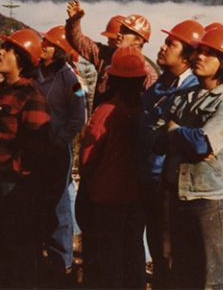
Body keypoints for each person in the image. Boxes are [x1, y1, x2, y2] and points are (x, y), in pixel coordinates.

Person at [155, 26, 223, 290]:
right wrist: (184, 137)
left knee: (213, 279)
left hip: (208, 200)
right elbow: (158, 140)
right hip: (178, 194)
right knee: (183, 275)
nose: (199, 57)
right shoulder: (186, 95)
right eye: (199, 51)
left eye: (209, 53)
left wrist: (176, 130)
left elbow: (199, 144)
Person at [0, 28, 52, 289]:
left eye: (8, 50)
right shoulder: (1, 90)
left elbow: (36, 151)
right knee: (0, 241)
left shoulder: (31, 96)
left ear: (21, 60)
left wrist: (12, 172)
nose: (0, 52)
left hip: (16, 186)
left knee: (19, 246)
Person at [138, 19, 205, 288]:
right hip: (148, 175)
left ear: (187, 56)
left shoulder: (190, 90)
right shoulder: (160, 85)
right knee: (156, 244)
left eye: (171, 44)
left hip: (168, 181)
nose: (163, 48)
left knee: (168, 250)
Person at [79, 46, 148, 289]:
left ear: (114, 79)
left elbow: (88, 155)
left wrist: (88, 178)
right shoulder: (145, 111)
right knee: (133, 250)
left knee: (108, 255)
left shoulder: (105, 111)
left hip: (106, 195)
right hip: (137, 194)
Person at [36, 26, 87, 285]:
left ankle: (62, 260)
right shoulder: (36, 72)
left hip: (57, 150)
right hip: (35, 149)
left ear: (60, 51)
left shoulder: (71, 79)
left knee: (59, 204)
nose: (42, 46)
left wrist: (59, 140)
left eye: (48, 43)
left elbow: (80, 116)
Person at [65, 0, 158, 110]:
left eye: (124, 32)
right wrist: (74, 21)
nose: (119, 34)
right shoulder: (105, 55)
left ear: (138, 41)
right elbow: (79, 42)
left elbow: (150, 108)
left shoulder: (148, 74)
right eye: (120, 30)